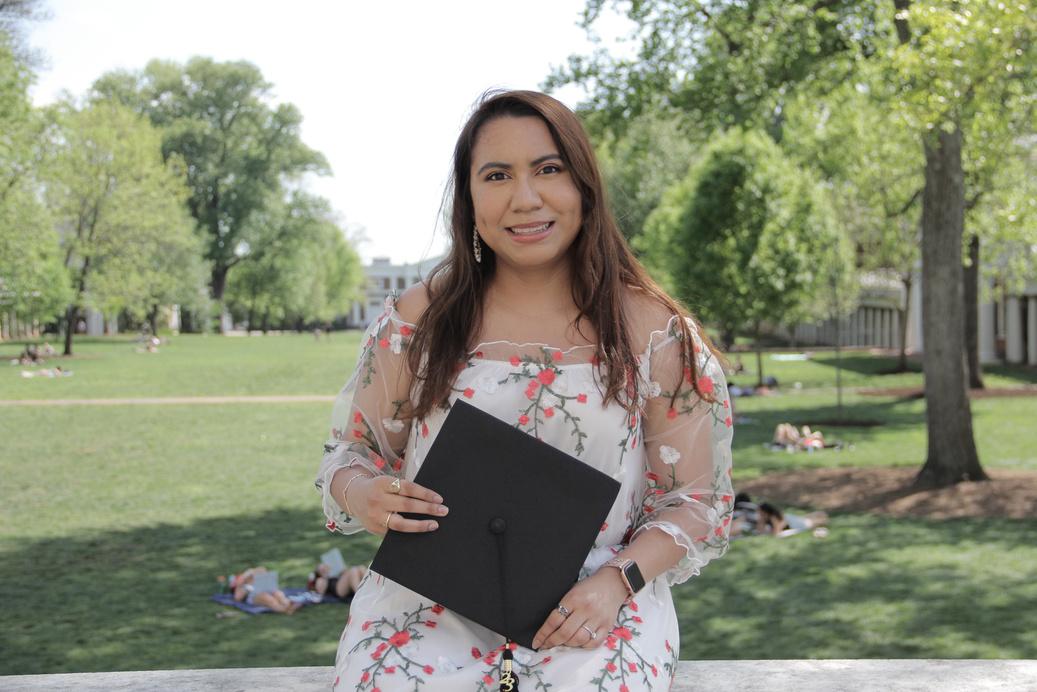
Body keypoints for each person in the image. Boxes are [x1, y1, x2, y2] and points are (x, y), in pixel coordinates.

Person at [315, 90, 734, 691]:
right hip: (429, 597)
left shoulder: (653, 332)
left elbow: (697, 502)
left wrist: (617, 583)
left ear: (583, 184)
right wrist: (365, 494)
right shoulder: (417, 321)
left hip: (595, 602)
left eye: (548, 169)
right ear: (469, 198)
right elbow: (349, 455)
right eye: (497, 175)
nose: (525, 198)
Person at [228, 567, 301, 614]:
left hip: (267, 590)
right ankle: (285, 610)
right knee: (268, 599)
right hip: (255, 596)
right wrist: (240, 584)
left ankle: (287, 604)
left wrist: (250, 573)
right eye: (238, 578)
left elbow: (262, 569)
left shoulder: (250, 578)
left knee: (278, 593)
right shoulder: (241, 587)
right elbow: (237, 598)